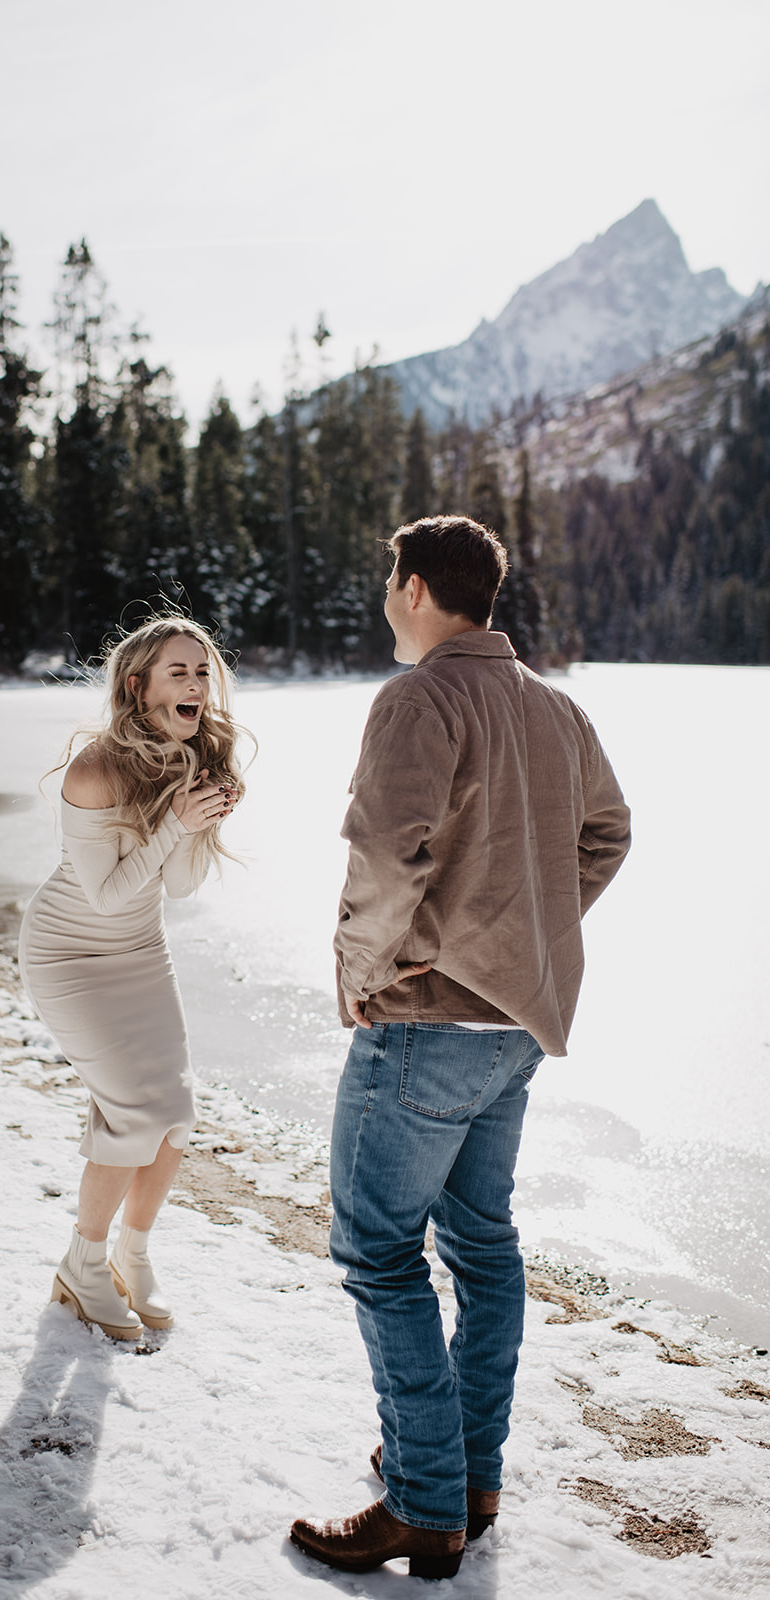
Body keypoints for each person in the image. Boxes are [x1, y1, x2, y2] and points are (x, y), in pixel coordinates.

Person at [290, 516, 631, 1582]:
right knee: (482, 1248)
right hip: (512, 1029)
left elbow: (388, 852)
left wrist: (360, 973)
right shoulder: (554, 705)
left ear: (423, 587)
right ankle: (473, 1479)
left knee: (378, 1250)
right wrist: (523, 933)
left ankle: (426, 1503)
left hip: (427, 1022)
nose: (386, 598)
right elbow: (609, 834)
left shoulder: (420, 695)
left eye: (391, 579)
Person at [19, 617, 245, 1341]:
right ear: (136, 685)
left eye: (202, 671)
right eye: (178, 672)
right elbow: (105, 895)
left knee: (174, 1115)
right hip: (69, 955)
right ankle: (82, 1266)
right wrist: (177, 825)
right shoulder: (94, 769)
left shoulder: (191, 760)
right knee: (132, 1114)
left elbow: (175, 888)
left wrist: (198, 819)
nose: (195, 684)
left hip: (140, 951)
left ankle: (132, 1253)